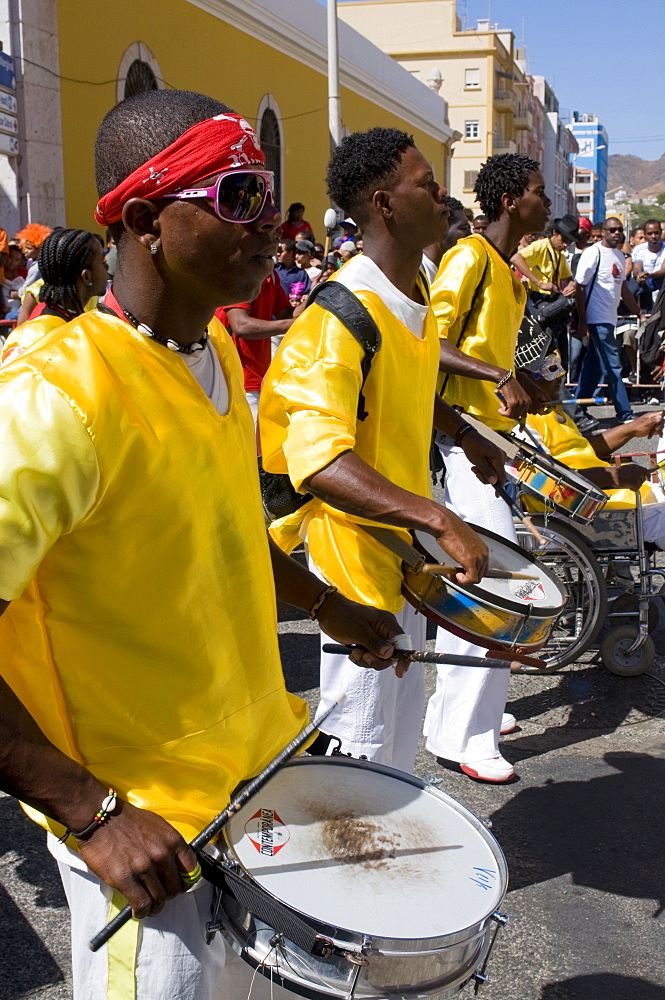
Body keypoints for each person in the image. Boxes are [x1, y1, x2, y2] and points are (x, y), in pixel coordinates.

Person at [0, 89, 406, 1000]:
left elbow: (217, 530)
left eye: (269, 193)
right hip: (147, 832)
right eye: (235, 199)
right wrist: (91, 813)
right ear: (145, 219)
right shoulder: (54, 399)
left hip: (252, 784)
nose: (269, 226)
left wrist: (333, 606)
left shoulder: (214, 347)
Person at [261, 127, 503, 771]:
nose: (443, 196)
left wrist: (463, 434)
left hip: (403, 549)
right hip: (356, 562)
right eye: (425, 184)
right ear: (383, 203)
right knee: (358, 757)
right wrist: (439, 517)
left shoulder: (412, 294)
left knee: (395, 752)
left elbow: (405, 383)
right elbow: (319, 462)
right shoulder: (340, 313)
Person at [426, 153, 552, 783]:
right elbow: (428, 345)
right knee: (488, 588)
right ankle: (464, 737)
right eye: (537, 192)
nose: (547, 202)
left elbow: (481, 353)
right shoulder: (470, 258)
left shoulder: (507, 270)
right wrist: (499, 376)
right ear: (508, 200)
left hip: (493, 440)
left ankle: (462, 711)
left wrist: (524, 379)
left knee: (479, 579)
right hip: (464, 441)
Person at [1, 228, 109, 364]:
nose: (107, 268)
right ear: (86, 276)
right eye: (102, 263)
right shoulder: (31, 338)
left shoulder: (87, 325)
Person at [574, 217, 644, 426]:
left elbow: (623, 289)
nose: (617, 233)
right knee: (613, 366)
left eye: (619, 230)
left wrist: (639, 312)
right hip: (596, 319)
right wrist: (582, 321)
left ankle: (577, 410)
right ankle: (625, 413)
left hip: (609, 319)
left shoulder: (620, 256)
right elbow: (580, 287)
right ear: (602, 232)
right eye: (612, 230)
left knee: (593, 367)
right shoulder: (593, 253)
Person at [223, 272, 304, 425]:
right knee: (249, 445)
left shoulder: (270, 275)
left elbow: (286, 314)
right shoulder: (244, 272)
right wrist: (298, 325)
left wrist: (317, 297)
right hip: (238, 380)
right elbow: (241, 325)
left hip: (257, 378)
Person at [422, 195, 471, 283]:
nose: (469, 234)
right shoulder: (418, 272)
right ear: (442, 227)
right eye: (463, 228)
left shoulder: (452, 270)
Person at [14, 222, 52, 325]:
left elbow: (27, 289)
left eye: (29, 249)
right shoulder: (39, 263)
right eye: (24, 248)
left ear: (39, 248)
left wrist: (16, 293)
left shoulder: (36, 267)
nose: (25, 251)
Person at [632, 218, 665, 304]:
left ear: (661, 233)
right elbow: (636, 267)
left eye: (656, 233)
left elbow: (663, 271)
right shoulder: (639, 249)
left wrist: (649, 275)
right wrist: (639, 275)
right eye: (650, 234)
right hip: (646, 286)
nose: (653, 236)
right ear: (645, 235)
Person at [275, 238, 312, 302]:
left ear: (291, 253)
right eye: (277, 251)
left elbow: (308, 292)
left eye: (281, 251)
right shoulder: (274, 270)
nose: (278, 254)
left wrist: (305, 296)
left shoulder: (301, 274)